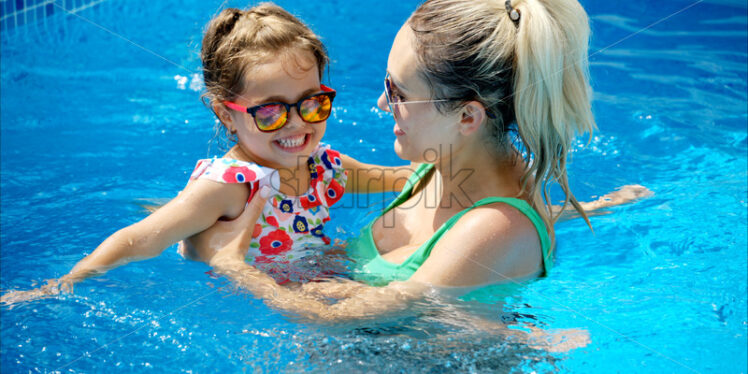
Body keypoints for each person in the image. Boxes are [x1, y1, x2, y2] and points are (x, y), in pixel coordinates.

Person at [203, 0, 652, 322]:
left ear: (466, 116)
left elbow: (346, 316)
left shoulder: (493, 227)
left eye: (398, 92)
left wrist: (235, 268)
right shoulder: (443, 165)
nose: (382, 103)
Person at [0, 3, 409, 305]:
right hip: (245, 299)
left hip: (304, 280)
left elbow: (400, 179)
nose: (297, 124)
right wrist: (60, 286)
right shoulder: (230, 186)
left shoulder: (323, 166)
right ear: (226, 115)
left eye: (312, 102)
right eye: (269, 111)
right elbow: (138, 240)